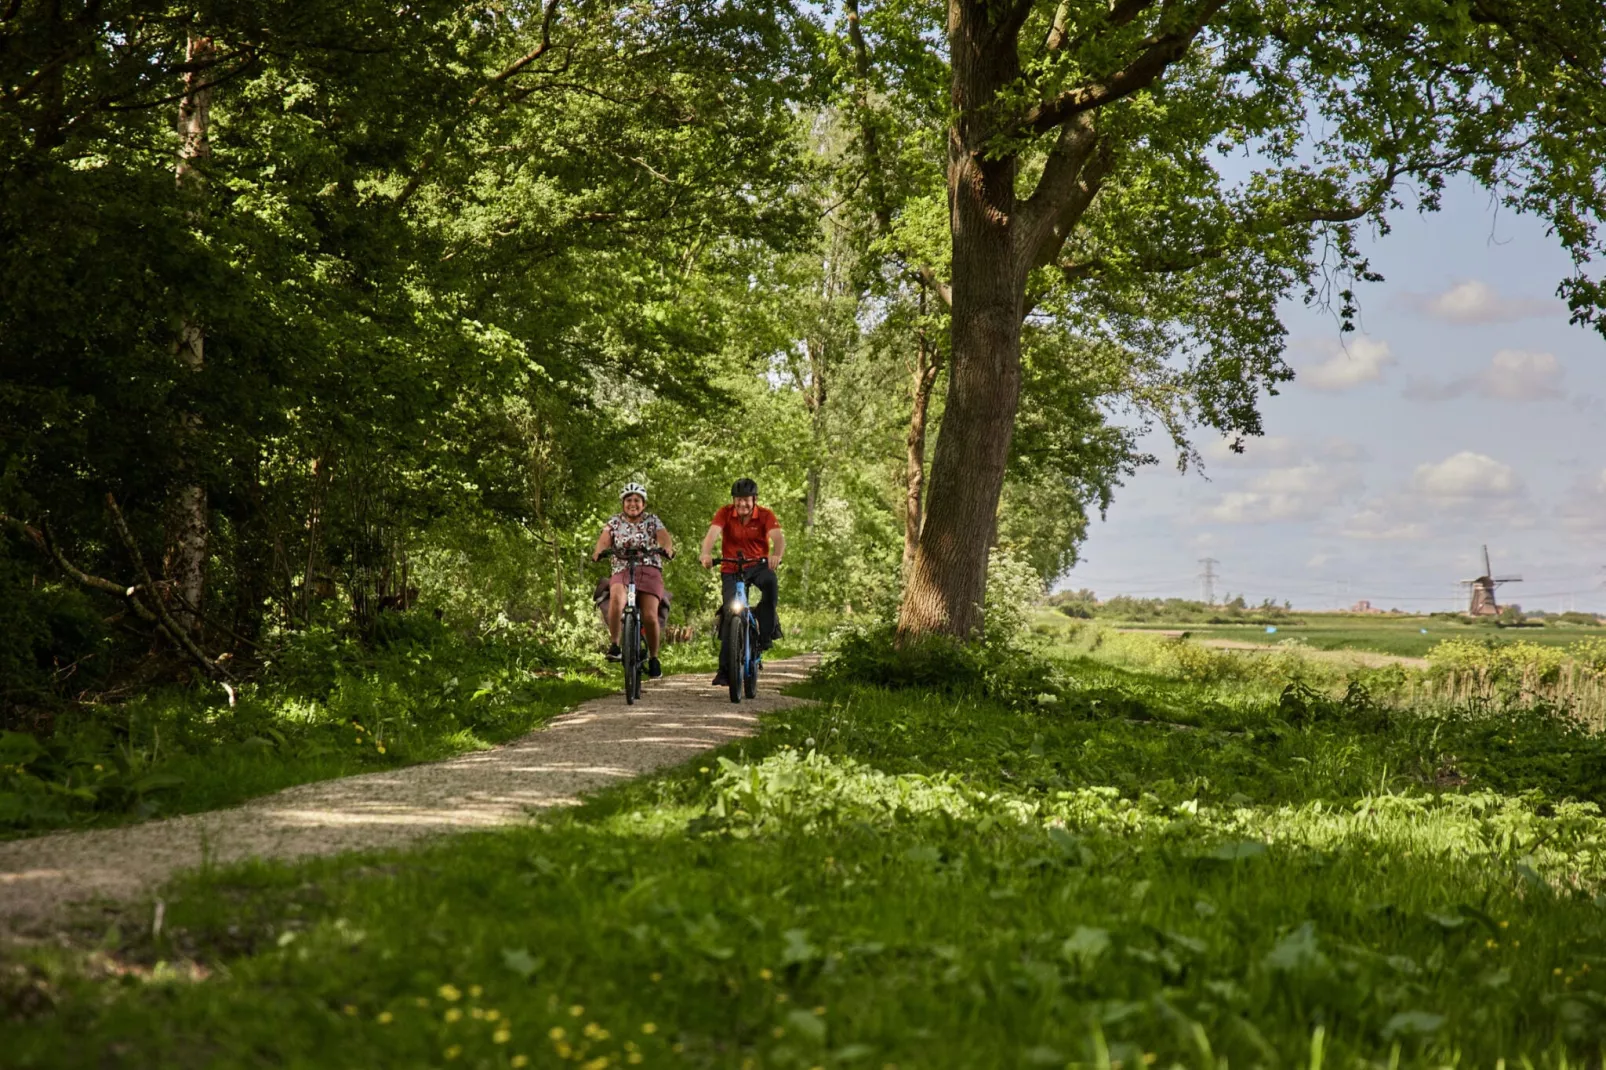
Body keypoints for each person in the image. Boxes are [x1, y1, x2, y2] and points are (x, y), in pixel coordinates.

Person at [700, 477, 783, 687]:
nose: (742, 504)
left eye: (746, 500)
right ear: (733, 501)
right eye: (738, 500)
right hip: (731, 567)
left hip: (758, 566)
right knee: (730, 613)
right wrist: (706, 553)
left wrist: (776, 555)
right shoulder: (725, 513)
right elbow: (712, 534)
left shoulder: (765, 515)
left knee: (771, 585)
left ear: (754, 499)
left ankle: (765, 633)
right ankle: (725, 671)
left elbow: (778, 538)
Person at [592, 482, 675, 679]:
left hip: (649, 568)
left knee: (649, 615)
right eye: (628, 500)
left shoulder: (652, 520)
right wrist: (598, 552)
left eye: (637, 500)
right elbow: (604, 541)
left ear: (643, 504)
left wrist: (667, 549)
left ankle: (654, 658)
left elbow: (664, 539)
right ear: (623, 503)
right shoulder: (614, 522)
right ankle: (615, 645)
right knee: (616, 601)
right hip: (622, 567)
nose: (633, 504)